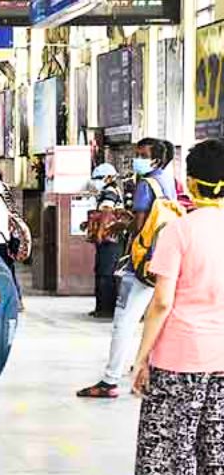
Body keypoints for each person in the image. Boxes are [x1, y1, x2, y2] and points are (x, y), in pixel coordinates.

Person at [95, 139, 224, 475]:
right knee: (216, 452)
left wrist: (142, 358)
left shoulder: (179, 231)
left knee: (164, 452)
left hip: (179, 360)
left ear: (190, 183)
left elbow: (162, 302)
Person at [78, 138, 177, 398]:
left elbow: (140, 226)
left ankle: (110, 381)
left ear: (155, 159)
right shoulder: (169, 182)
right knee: (159, 317)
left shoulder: (146, 185)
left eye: (142, 155)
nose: (137, 159)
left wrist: (119, 225)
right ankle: (151, 367)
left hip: (141, 262)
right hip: (163, 258)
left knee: (124, 321)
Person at [88, 163, 126, 319]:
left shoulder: (109, 191)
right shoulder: (112, 190)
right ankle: (103, 307)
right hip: (113, 238)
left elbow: (106, 212)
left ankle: (105, 309)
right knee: (105, 271)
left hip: (110, 239)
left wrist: (100, 232)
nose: (96, 181)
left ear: (109, 178)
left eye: (99, 178)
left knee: (106, 272)